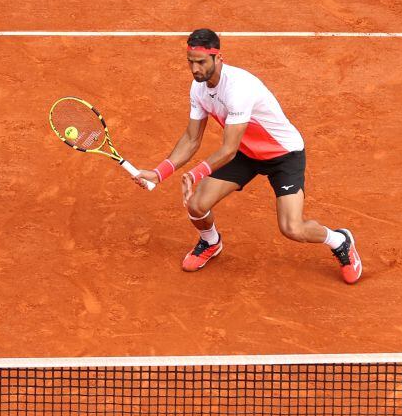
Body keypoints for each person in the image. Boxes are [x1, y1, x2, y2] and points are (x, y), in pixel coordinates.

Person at [133, 29, 363, 283]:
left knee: (292, 228)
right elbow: (191, 139)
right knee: (196, 205)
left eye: (201, 62)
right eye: (191, 62)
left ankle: (340, 240)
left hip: (283, 154)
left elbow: (228, 149)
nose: (195, 69)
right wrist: (159, 173)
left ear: (218, 58)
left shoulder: (239, 88)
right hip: (246, 152)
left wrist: (194, 174)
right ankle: (211, 242)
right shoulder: (198, 89)